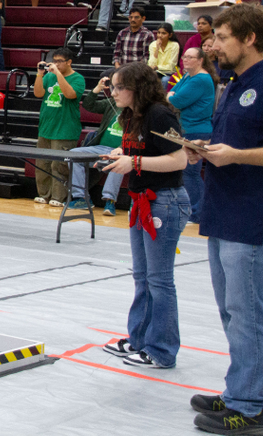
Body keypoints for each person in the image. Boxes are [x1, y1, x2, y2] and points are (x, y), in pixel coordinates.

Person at [184, 4, 263, 435]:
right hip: (224, 212)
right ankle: (240, 388)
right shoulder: (234, 84)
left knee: (248, 312)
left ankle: (251, 407)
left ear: (250, 39)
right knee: (230, 310)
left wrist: (237, 156)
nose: (213, 43)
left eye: (222, 37)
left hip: (253, 216)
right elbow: (233, 143)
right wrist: (203, 148)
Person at [99, 62, 190, 369]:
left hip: (164, 201)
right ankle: (139, 339)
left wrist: (134, 162)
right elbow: (143, 154)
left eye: (118, 87)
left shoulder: (159, 114)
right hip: (142, 201)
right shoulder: (129, 115)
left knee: (160, 281)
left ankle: (162, 350)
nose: (113, 92)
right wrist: (122, 157)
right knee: (142, 276)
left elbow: (180, 160)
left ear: (136, 88)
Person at [166, 47, 215, 223]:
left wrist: (171, 96)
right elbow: (171, 93)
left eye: (190, 57)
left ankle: (200, 211)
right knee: (187, 172)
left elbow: (176, 100)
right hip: (187, 127)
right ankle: (196, 210)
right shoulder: (188, 76)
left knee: (191, 173)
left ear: (200, 60)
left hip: (197, 129)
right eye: (184, 56)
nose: (185, 59)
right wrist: (171, 95)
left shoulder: (200, 79)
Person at [32, 47, 85, 207]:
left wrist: (58, 74)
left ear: (69, 62)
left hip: (65, 130)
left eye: (59, 61)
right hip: (46, 127)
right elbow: (38, 93)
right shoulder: (49, 76)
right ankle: (43, 194)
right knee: (42, 164)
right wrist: (40, 75)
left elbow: (69, 94)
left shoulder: (78, 78)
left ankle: (59, 197)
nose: (55, 64)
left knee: (59, 166)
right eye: (54, 61)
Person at [68, 72, 125, 215]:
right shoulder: (112, 102)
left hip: (123, 151)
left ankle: (109, 201)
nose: (115, 92)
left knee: (120, 161)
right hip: (102, 148)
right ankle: (81, 197)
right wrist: (97, 90)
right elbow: (89, 105)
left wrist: (121, 148)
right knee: (74, 154)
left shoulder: (138, 109)